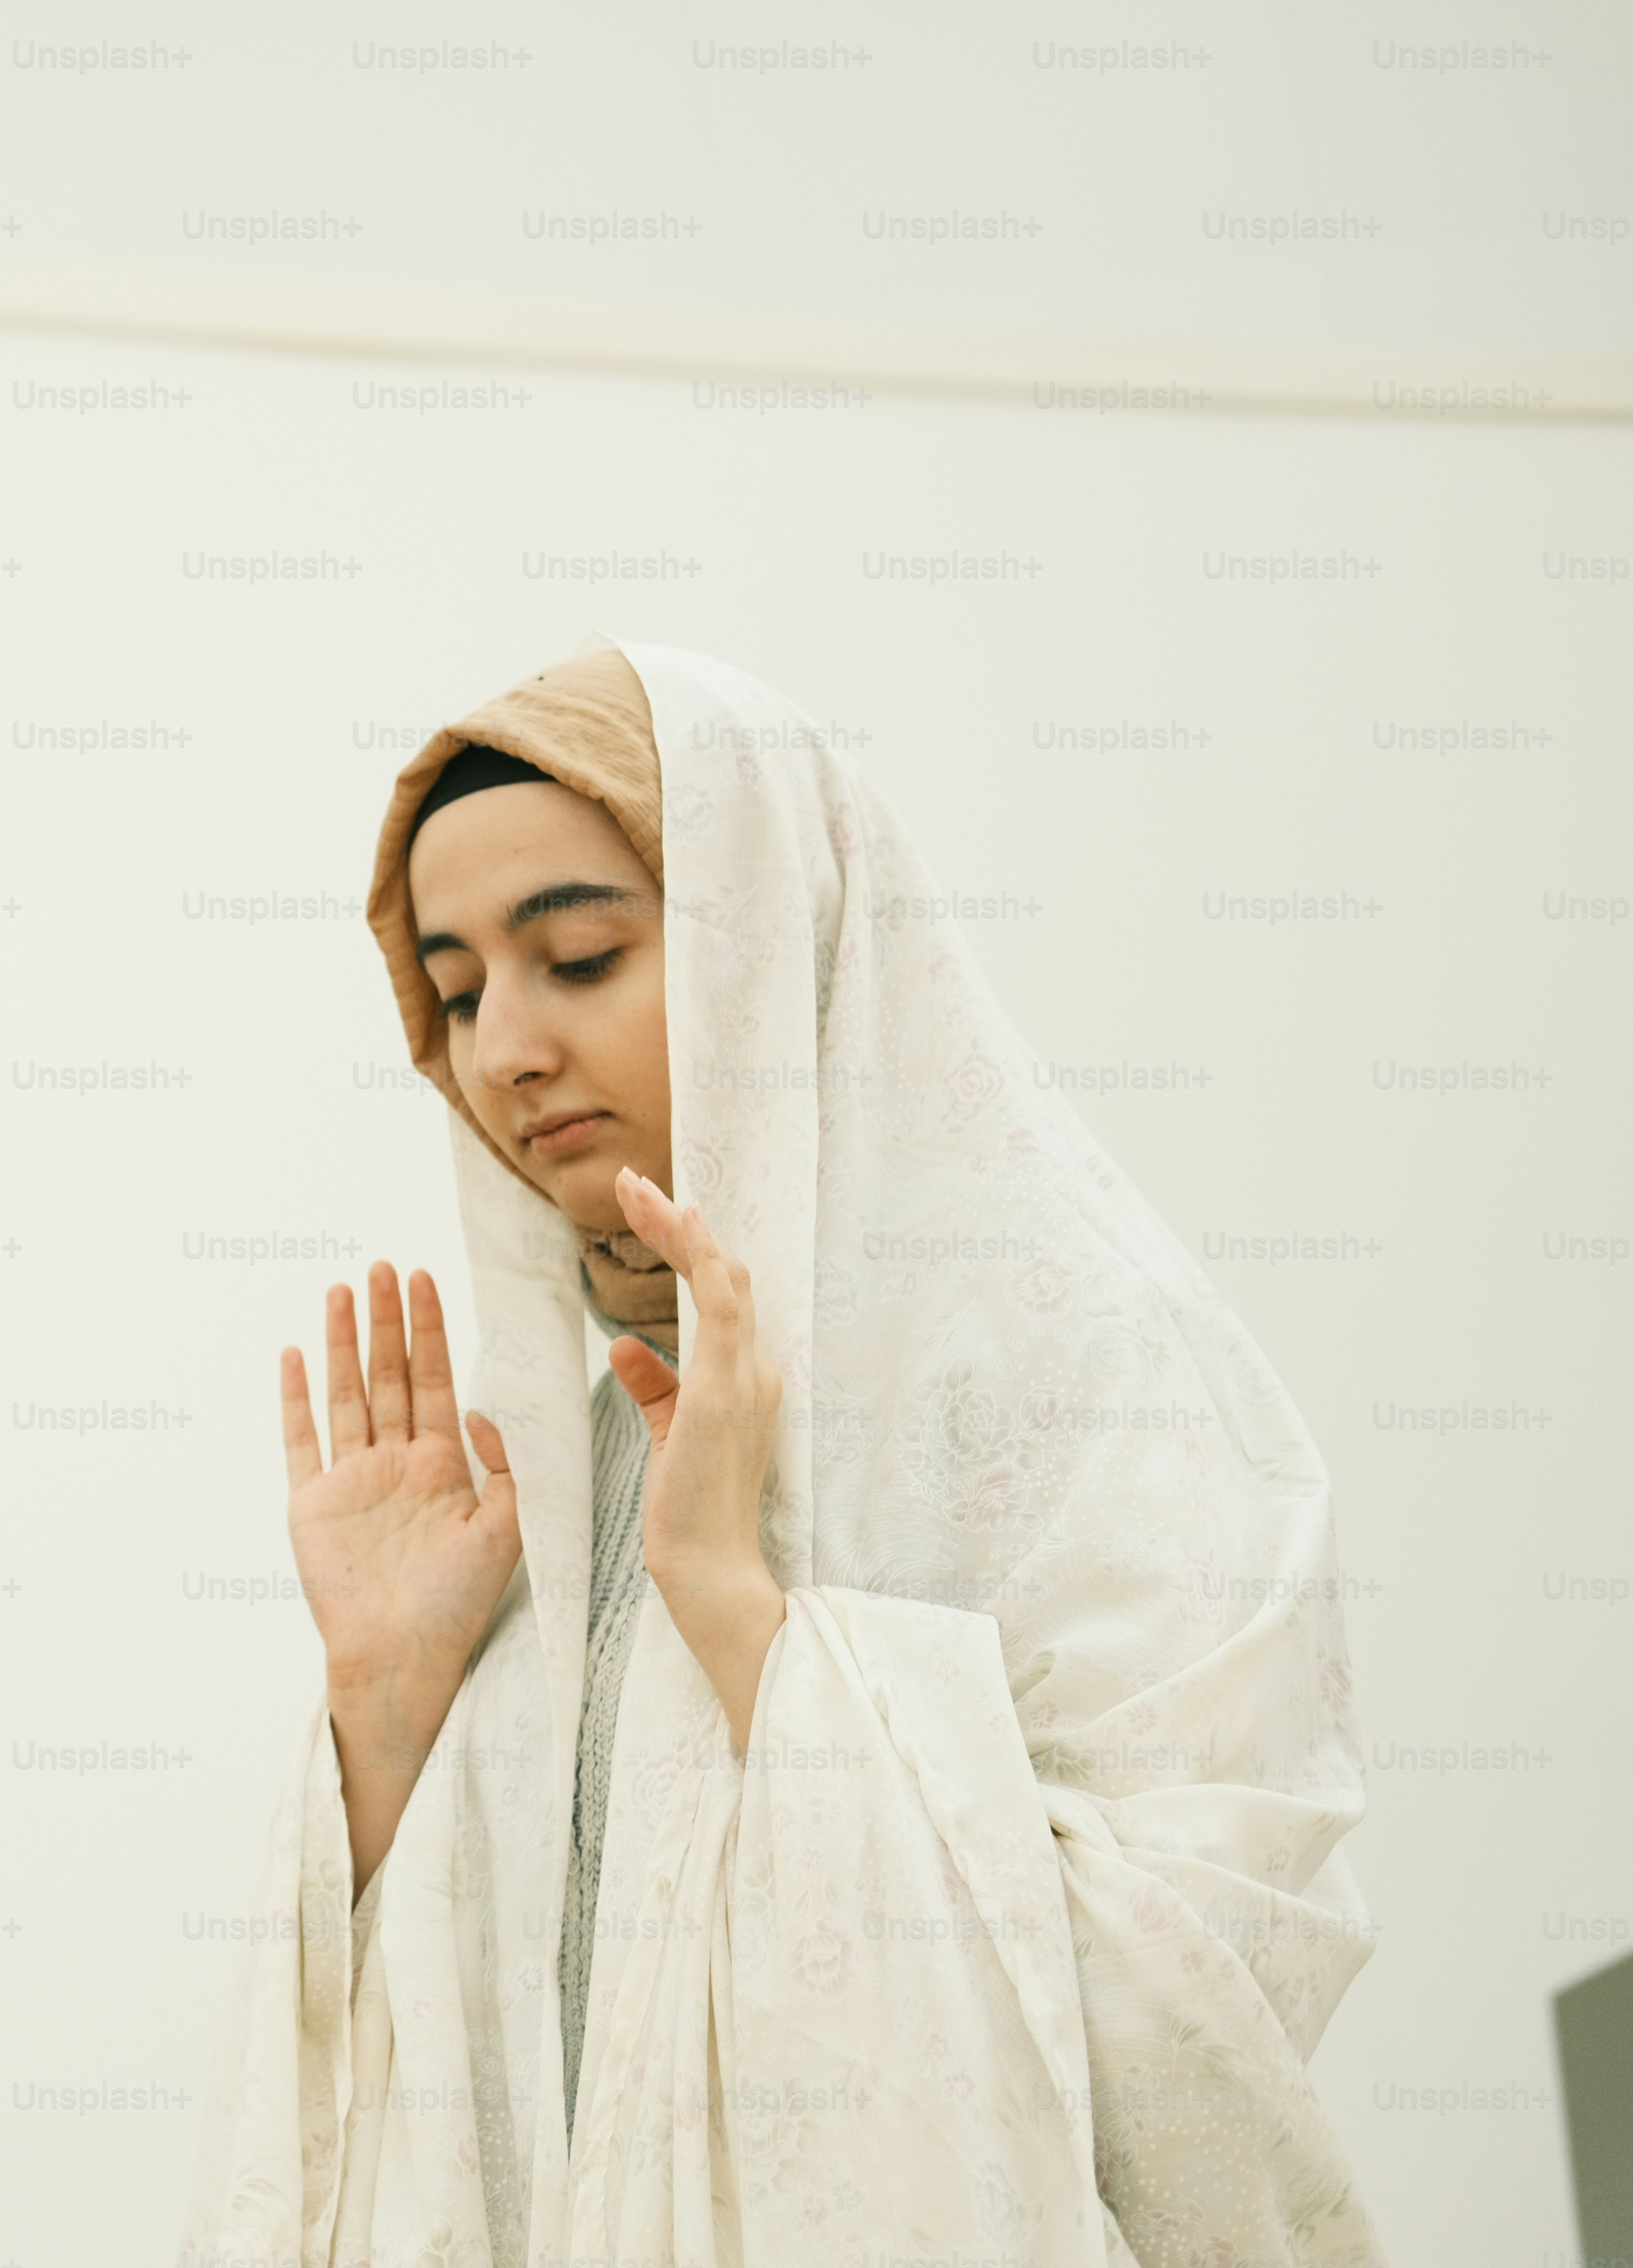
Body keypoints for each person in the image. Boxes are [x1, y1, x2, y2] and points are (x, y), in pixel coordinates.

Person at [179, 641, 1382, 2264]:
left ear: (777, 946)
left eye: (581, 958)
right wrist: (389, 1729)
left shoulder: (1090, 1374)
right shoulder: (563, 1449)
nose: (506, 1051)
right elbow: (513, 2114)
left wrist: (745, 1621)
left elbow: (1206, 2050)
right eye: (459, 995)